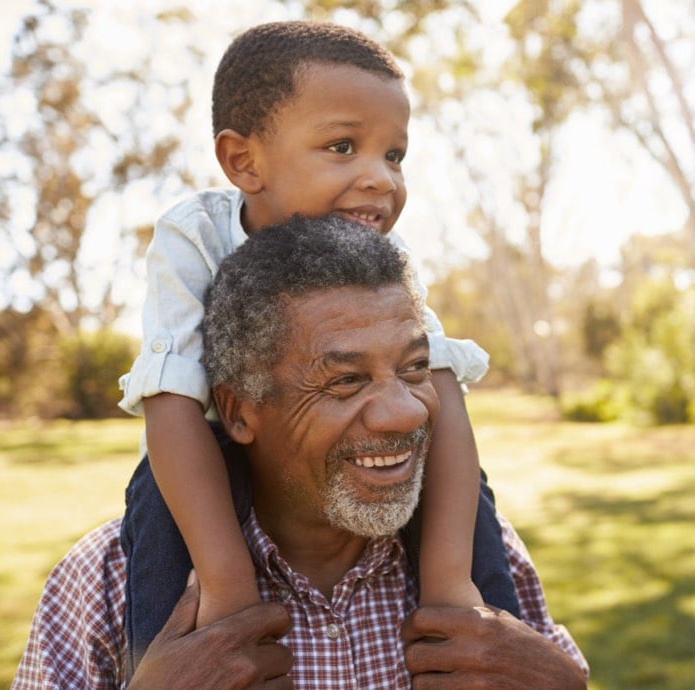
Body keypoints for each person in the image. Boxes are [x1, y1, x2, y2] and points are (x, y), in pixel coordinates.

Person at [14, 216, 589, 689]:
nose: (408, 412)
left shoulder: (484, 555)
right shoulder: (108, 581)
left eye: (415, 369)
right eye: (344, 381)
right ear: (238, 412)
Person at [115, 20, 518, 676]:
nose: (380, 179)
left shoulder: (387, 259)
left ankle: (497, 660)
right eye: (342, 146)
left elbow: (440, 388)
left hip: (345, 469)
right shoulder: (196, 236)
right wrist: (226, 586)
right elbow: (171, 402)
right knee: (156, 517)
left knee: (470, 496)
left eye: (394, 155)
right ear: (245, 161)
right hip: (208, 458)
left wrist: (452, 584)